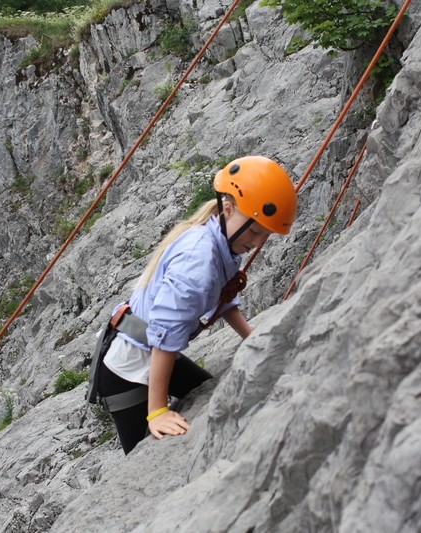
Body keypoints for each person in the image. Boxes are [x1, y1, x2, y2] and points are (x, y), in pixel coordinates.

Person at [96, 155, 297, 455]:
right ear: (228, 210)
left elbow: (224, 300)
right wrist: (157, 412)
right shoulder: (198, 259)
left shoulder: (222, 241)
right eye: (255, 232)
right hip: (128, 371)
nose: (257, 242)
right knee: (149, 458)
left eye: (265, 235)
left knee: (214, 393)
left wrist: (253, 339)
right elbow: (166, 333)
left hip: (153, 352)